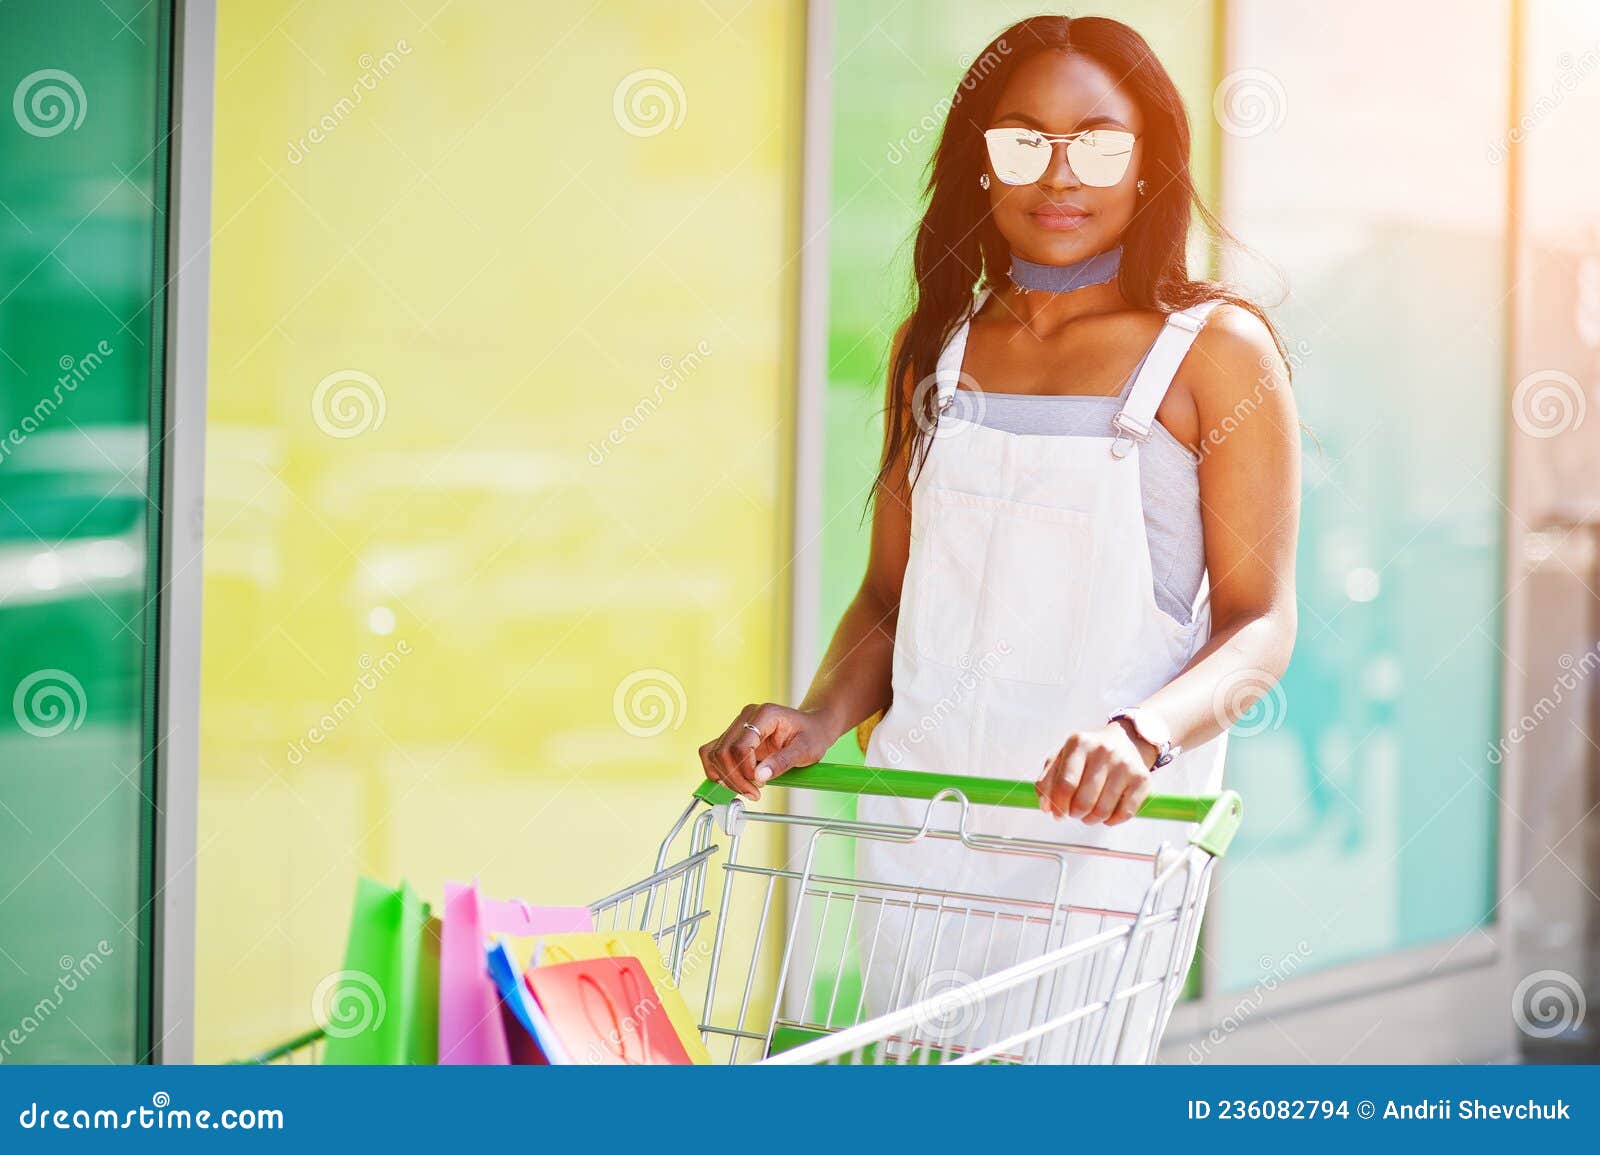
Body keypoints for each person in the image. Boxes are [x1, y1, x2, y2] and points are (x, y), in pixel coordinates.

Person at [699, 13, 1300, 1061]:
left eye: (1099, 143)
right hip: (923, 826)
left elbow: (1258, 627)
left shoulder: (1216, 353)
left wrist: (1139, 736)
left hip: (1100, 846)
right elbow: (890, 599)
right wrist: (818, 715)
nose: (1058, 174)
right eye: (1022, 140)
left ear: (1151, 157)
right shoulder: (932, 346)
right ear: (978, 161)